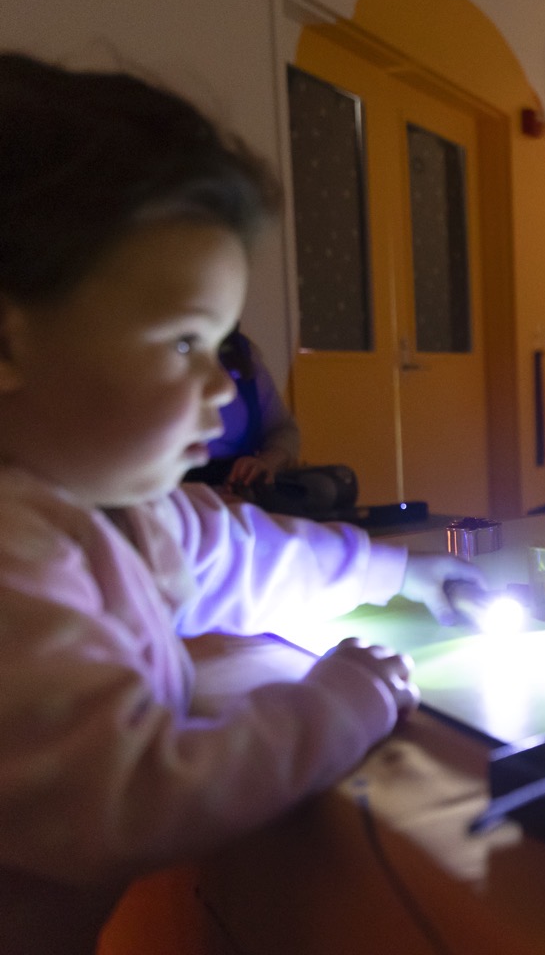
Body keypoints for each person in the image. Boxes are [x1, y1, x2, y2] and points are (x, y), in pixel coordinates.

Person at [0, 53, 486, 954]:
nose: (226, 387)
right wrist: (344, 699)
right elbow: (139, 792)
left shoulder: (123, 507)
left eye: (224, 344)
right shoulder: (13, 551)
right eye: (184, 342)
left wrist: (399, 572)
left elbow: (240, 554)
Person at [183, 326, 301, 491]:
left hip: (235, 491)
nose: (223, 389)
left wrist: (265, 463)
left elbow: (283, 430)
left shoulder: (241, 354)